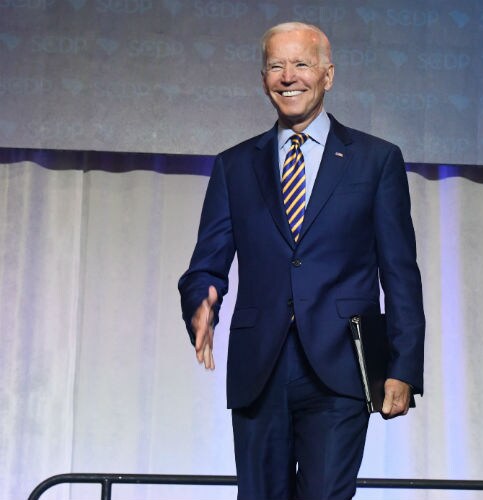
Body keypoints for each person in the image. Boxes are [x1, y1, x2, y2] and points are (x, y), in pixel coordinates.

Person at [178, 21, 425, 500]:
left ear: (328, 76)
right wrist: (200, 303)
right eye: (276, 65)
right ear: (263, 78)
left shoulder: (375, 161)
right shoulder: (234, 165)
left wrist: (403, 366)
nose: (288, 76)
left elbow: (400, 273)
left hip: (341, 366)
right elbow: (206, 264)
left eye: (301, 64)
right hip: (259, 371)